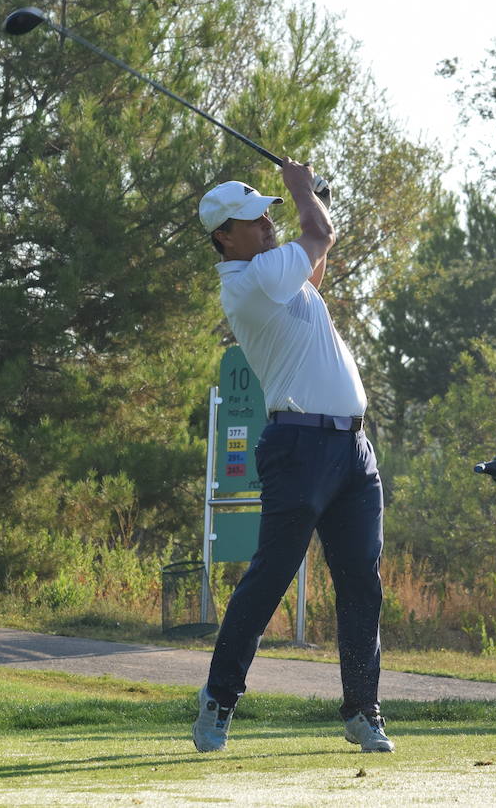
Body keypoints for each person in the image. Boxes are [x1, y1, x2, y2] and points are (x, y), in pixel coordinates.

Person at [191, 162, 392, 754]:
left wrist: (314, 198)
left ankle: (363, 711)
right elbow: (319, 236)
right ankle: (219, 700)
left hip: (352, 448)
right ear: (225, 237)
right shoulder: (248, 281)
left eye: (268, 213)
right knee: (271, 578)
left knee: (362, 584)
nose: (267, 224)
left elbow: (316, 264)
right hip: (298, 446)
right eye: (254, 219)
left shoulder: (278, 276)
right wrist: (304, 188)